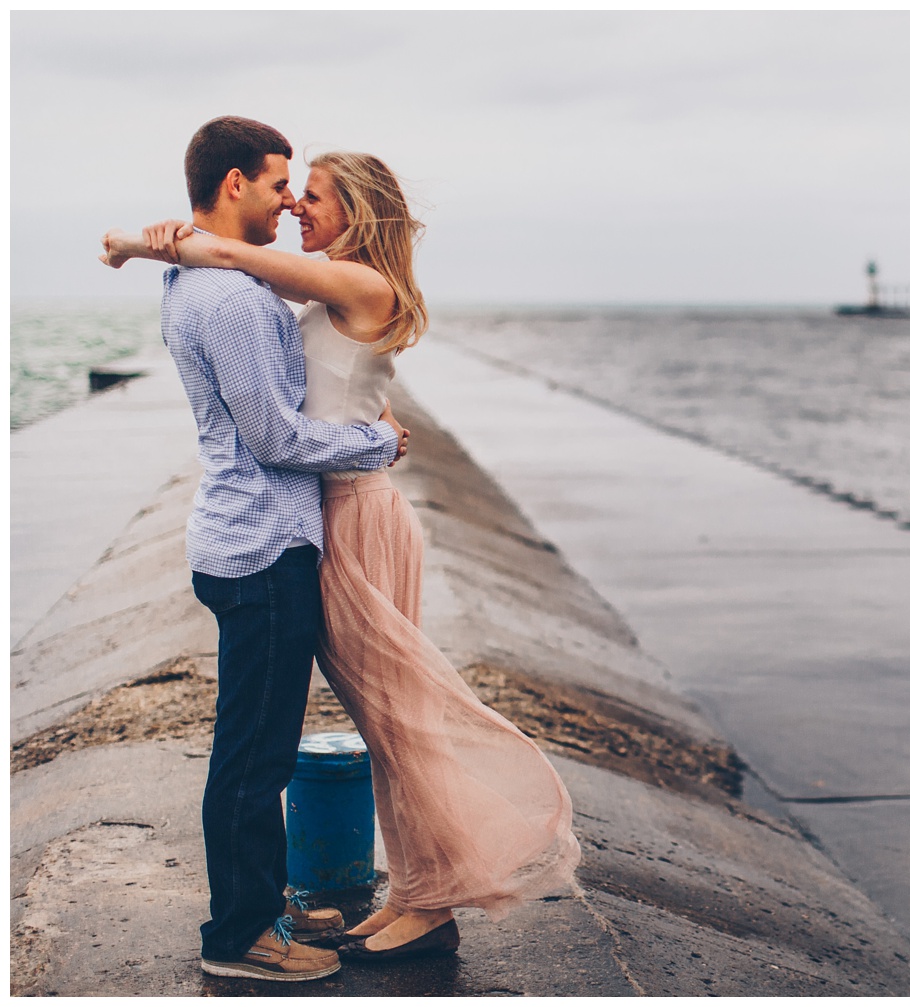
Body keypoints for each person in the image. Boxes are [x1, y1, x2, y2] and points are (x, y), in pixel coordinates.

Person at [102, 119, 579, 976]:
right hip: (311, 516)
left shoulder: (350, 282)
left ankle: (428, 901)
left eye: (308, 195)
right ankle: (409, 894)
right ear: (241, 180)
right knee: (374, 719)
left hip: (355, 516)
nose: (293, 207)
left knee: (397, 719)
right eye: (287, 189)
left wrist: (160, 242)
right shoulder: (303, 289)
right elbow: (290, 365)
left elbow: (248, 270)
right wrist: (167, 243)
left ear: (353, 213)